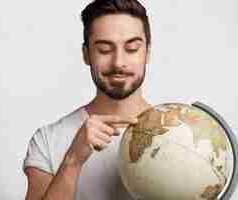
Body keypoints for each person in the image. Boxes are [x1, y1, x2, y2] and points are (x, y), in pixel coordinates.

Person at [23, 0, 152, 199]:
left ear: (147, 53)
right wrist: (73, 160)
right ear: (86, 55)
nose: (118, 62)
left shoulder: (182, 137)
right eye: (104, 50)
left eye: (132, 48)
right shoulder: (48, 140)